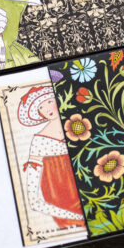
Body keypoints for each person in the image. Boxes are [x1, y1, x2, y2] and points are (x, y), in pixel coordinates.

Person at [18, 85, 85, 229]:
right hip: (68, 209)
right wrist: (77, 217)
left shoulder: (81, 123)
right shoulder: (39, 141)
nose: (47, 109)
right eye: (41, 107)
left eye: (49, 101)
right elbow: (33, 201)